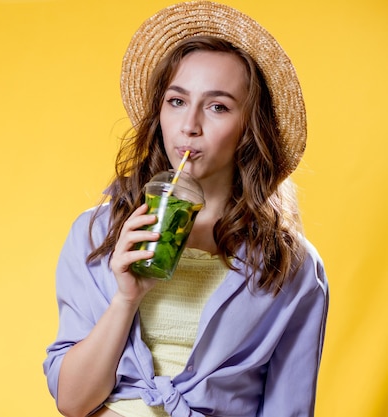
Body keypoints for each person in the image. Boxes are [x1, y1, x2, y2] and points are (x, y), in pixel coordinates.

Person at [43, 2, 329, 417]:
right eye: (177, 101)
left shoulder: (292, 267)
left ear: (250, 128)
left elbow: (289, 408)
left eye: (218, 106)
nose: (189, 125)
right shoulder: (98, 235)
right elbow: (72, 402)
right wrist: (126, 298)